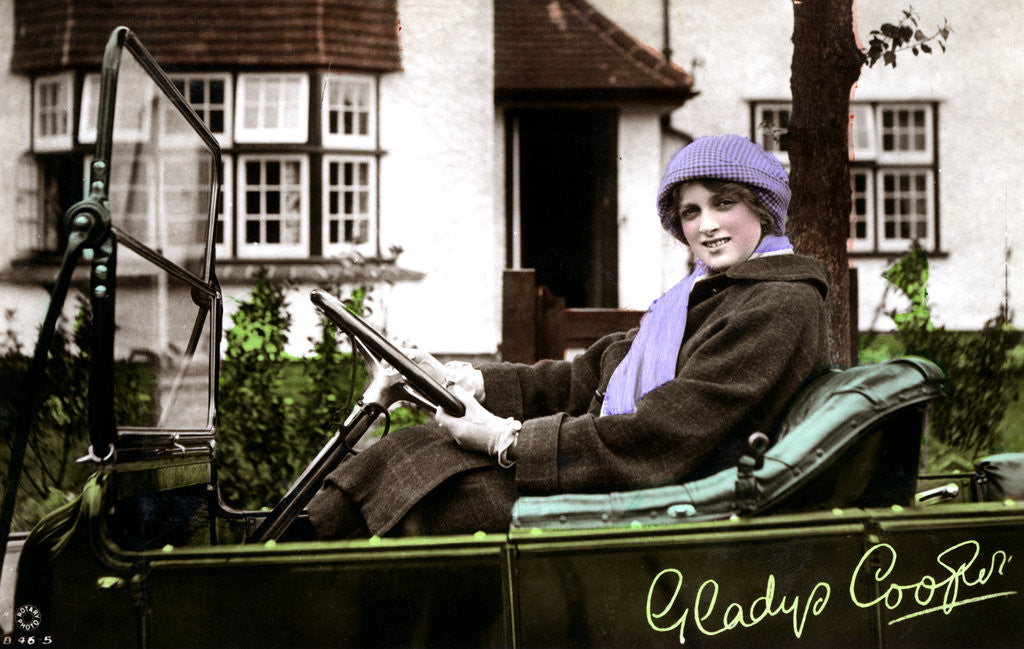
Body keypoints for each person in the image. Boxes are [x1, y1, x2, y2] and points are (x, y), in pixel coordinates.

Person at [305, 134, 830, 538]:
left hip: (667, 500)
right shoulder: (700, 297)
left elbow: (666, 431)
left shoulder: (777, 304)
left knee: (439, 497)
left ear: (762, 208)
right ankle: (293, 552)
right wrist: (467, 381)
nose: (706, 225)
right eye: (691, 212)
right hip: (634, 476)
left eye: (723, 204)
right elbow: (588, 375)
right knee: (414, 448)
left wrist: (509, 440)